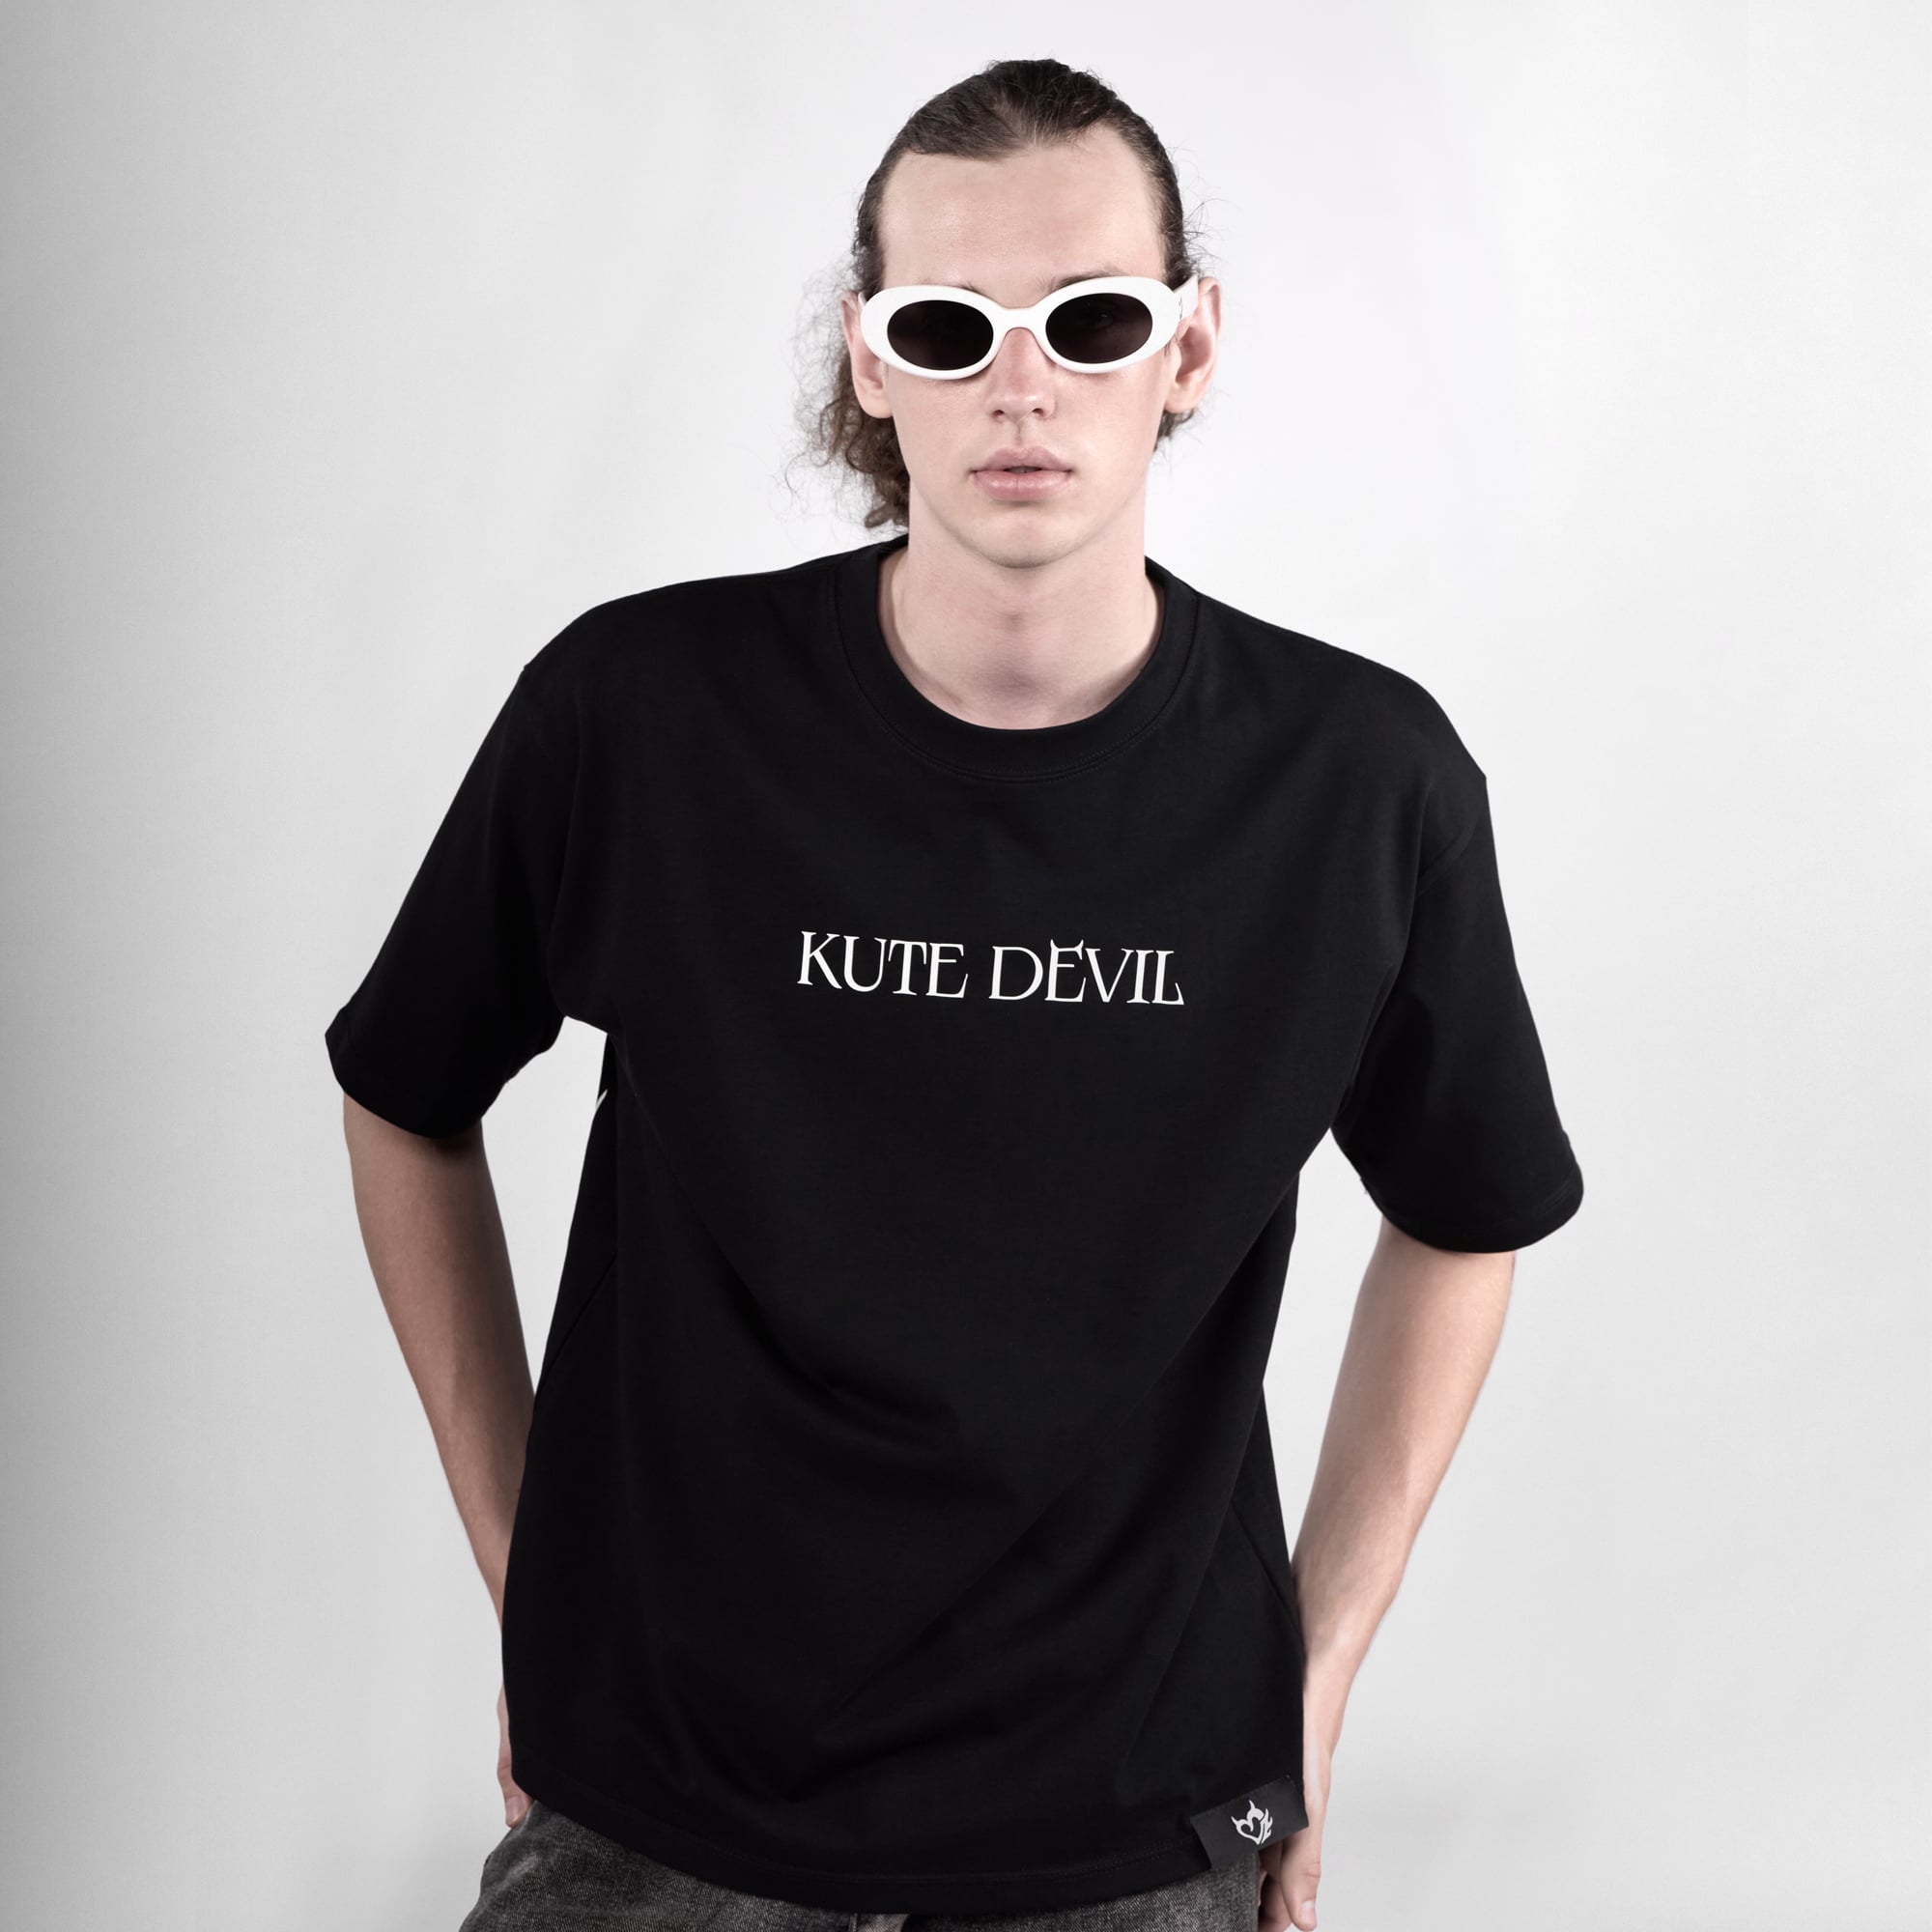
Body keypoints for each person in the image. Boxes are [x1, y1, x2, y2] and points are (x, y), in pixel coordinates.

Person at [326, 56, 1584, 1932]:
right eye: (948, 325)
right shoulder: (640, 718)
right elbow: (403, 1093)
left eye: (1089, 321)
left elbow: (1467, 1213)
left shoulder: (1358, 784)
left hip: (1143, 1827)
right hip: (653, 1806)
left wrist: (1313, 1676)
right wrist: (531, 1571)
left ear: (1187, 345)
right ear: (870, 359)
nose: (1020, 382)